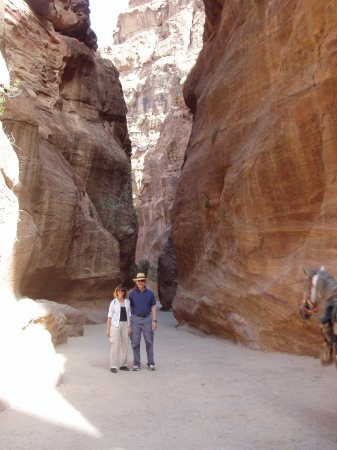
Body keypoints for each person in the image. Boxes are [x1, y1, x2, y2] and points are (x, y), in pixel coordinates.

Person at [129, 272, 157, 371]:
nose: (140, 282)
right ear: (136, 282)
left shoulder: (150, 293)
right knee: (135, 342)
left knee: (149, 341)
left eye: (142, 281)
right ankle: (136, 363)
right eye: (139, 281)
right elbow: (130, 308)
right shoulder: (132, 294)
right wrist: (129, 323)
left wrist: (154, 321)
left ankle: (151, 363)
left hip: (147, 319)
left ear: (145, 282)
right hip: (135, 319)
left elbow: (153, 307)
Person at [106, 284, 131, 373]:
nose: (120, 292)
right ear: (116, 292)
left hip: (125, 324)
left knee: (125, 344)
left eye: (122, 291)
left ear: (124, 292)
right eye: (119, 291)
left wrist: (129, 326)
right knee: (115, 344)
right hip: (115, 325)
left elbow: (129, 315)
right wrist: (108, 329)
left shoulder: (127, 302)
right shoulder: (114, 302)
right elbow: (109, 316)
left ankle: (123, 364)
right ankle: (113, 365)